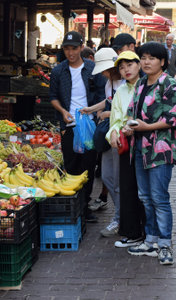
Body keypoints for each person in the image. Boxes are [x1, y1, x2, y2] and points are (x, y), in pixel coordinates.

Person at [122, 42, 176, 265]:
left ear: (162, 61)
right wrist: (129, 126)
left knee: (159, 198)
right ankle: (150, 241)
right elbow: (132, 111)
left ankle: (165, 244)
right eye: (144, 58)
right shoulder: (140, 84)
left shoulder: (170, 85)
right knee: (145, 197)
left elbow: (174, 117)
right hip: (139, 148)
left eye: (152, 58)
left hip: (161, 149)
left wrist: (145, 128)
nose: (146, 62)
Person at [49, 31, 106, 223]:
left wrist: (96, 114)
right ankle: (74, 205)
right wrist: (63, 112)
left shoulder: (92, 68)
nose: (70, 52)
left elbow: (101, 93)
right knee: (71, 165)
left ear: (81, 48)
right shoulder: (58, 71)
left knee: (88, 165)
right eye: (66, 48)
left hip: (89, 125)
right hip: (69, 125)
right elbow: (53, 97)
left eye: (74, 48)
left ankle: (85, 206)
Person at [81, 48, 125, 236]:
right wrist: (90, 109)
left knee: (117, 181)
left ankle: (121, 218)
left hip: (121, 136)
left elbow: (126, 110)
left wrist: (108, 113)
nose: (104, 73)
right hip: (109, 135)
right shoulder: (110, 82)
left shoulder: (126, 83)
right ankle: (121, 216)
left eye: (105, 70)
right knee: (107, 177)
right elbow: (108, 101)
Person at [106, 50, 146, 248]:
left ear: (138, 65)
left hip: (148, 144)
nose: (126, 70)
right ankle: (132, 233)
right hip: (126, 145)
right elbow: (114, 120)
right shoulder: (120, 92)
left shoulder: (148, 86)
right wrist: (113, 132)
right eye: (121, 67)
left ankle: (152, 234)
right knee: (128, 189)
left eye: (129, 65)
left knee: (147, 191)